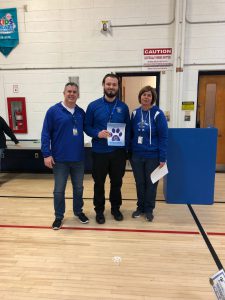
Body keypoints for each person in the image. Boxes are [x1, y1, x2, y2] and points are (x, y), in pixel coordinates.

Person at [41, 82, 89, 230]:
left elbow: (89, 128)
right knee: (59, 190)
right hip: (60, 159)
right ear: (64, 92)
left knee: (79, 188)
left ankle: (78, 211)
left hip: (78, 159)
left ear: (78, 95)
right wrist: (46, 154)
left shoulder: (81, 112)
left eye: (75, 92)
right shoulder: (53, 111)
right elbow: (45, 133)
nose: (72, 94)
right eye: (69, 91)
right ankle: (58, 216)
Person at [85, 73, 130, 224]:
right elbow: (86, 126)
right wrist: (97, 133)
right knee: (99, 183)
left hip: (118, 153)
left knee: (116, 183)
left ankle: (116, 209)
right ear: (103, 85)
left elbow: (128, 129)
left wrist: (127, 151)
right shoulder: (93, 106)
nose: (111, 87)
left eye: (114, 84)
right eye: (108, 84)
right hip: (99, 152)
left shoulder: (123, 107)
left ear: (118, 87)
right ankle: (99, 211)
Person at [130, 85, 168, 222]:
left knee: (151, 184)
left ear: (153, 98)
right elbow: (131, 134)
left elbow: (164, 137)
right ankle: (140, 208)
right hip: (137, 156)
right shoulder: (134, 113)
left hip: (153, 156)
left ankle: (149, 209)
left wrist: (162, 157)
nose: (146, 97)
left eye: (149, 95)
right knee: (139, 183)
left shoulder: (158, 114)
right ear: (140, 96)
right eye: (144, 94)